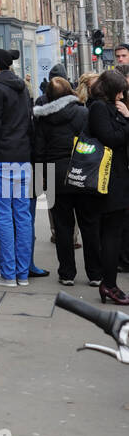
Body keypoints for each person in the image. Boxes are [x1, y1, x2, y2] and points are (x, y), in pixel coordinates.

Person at [33, 77, 101, 287]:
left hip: (55, 175)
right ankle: (95, 274)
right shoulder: (83, 113)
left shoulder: (44, 118)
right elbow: (93, 141)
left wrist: (41, 175)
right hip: (82, 173)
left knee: (63, 227)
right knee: (89, 224)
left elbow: (39, 150)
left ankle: (67, 273)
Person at [0, 49, 41, 287]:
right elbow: (29, 123)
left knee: (4, 218)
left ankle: (8, 274)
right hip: (23, 157)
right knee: (23, 217)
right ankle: (22, 274)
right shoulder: (21, 87)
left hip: (3, 159)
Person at [85, 70, 129, 306]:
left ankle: (109, 283)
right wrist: (127, 120)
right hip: (107, 181)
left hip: (116, 179)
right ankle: (108, 284)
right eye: (120, 91)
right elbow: (111, 138)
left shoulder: (109, 107)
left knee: (114, 232)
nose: (122, 95)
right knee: (111, 234)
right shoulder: (99, 108)